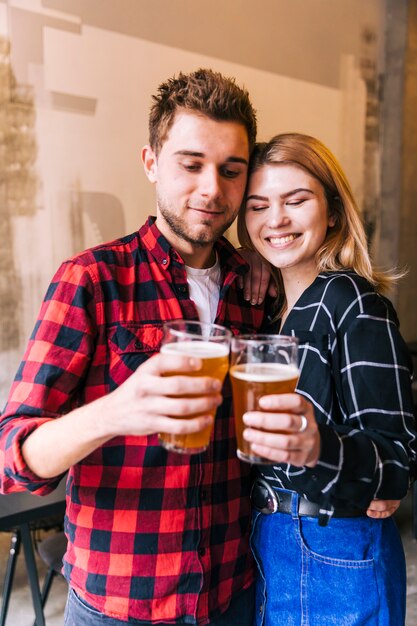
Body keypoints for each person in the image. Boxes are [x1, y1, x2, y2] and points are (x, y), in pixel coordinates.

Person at [0, 68, 266, 626]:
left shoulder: (256, 286)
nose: (212, 189)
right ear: (150, 162)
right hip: (118, 605)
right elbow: (12, 456)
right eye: (190, 165)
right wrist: (115, 411)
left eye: (230, 171)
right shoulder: (92, 280)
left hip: (235, 593)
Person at [237, 133, 416, 625]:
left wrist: (317, 448)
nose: (276, 219)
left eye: (297, 200)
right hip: (268, 538)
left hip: (331, 546)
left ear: (333, 211)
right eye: (258, 206)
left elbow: (397, 463)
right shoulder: (268, 313)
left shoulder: (353, 303)